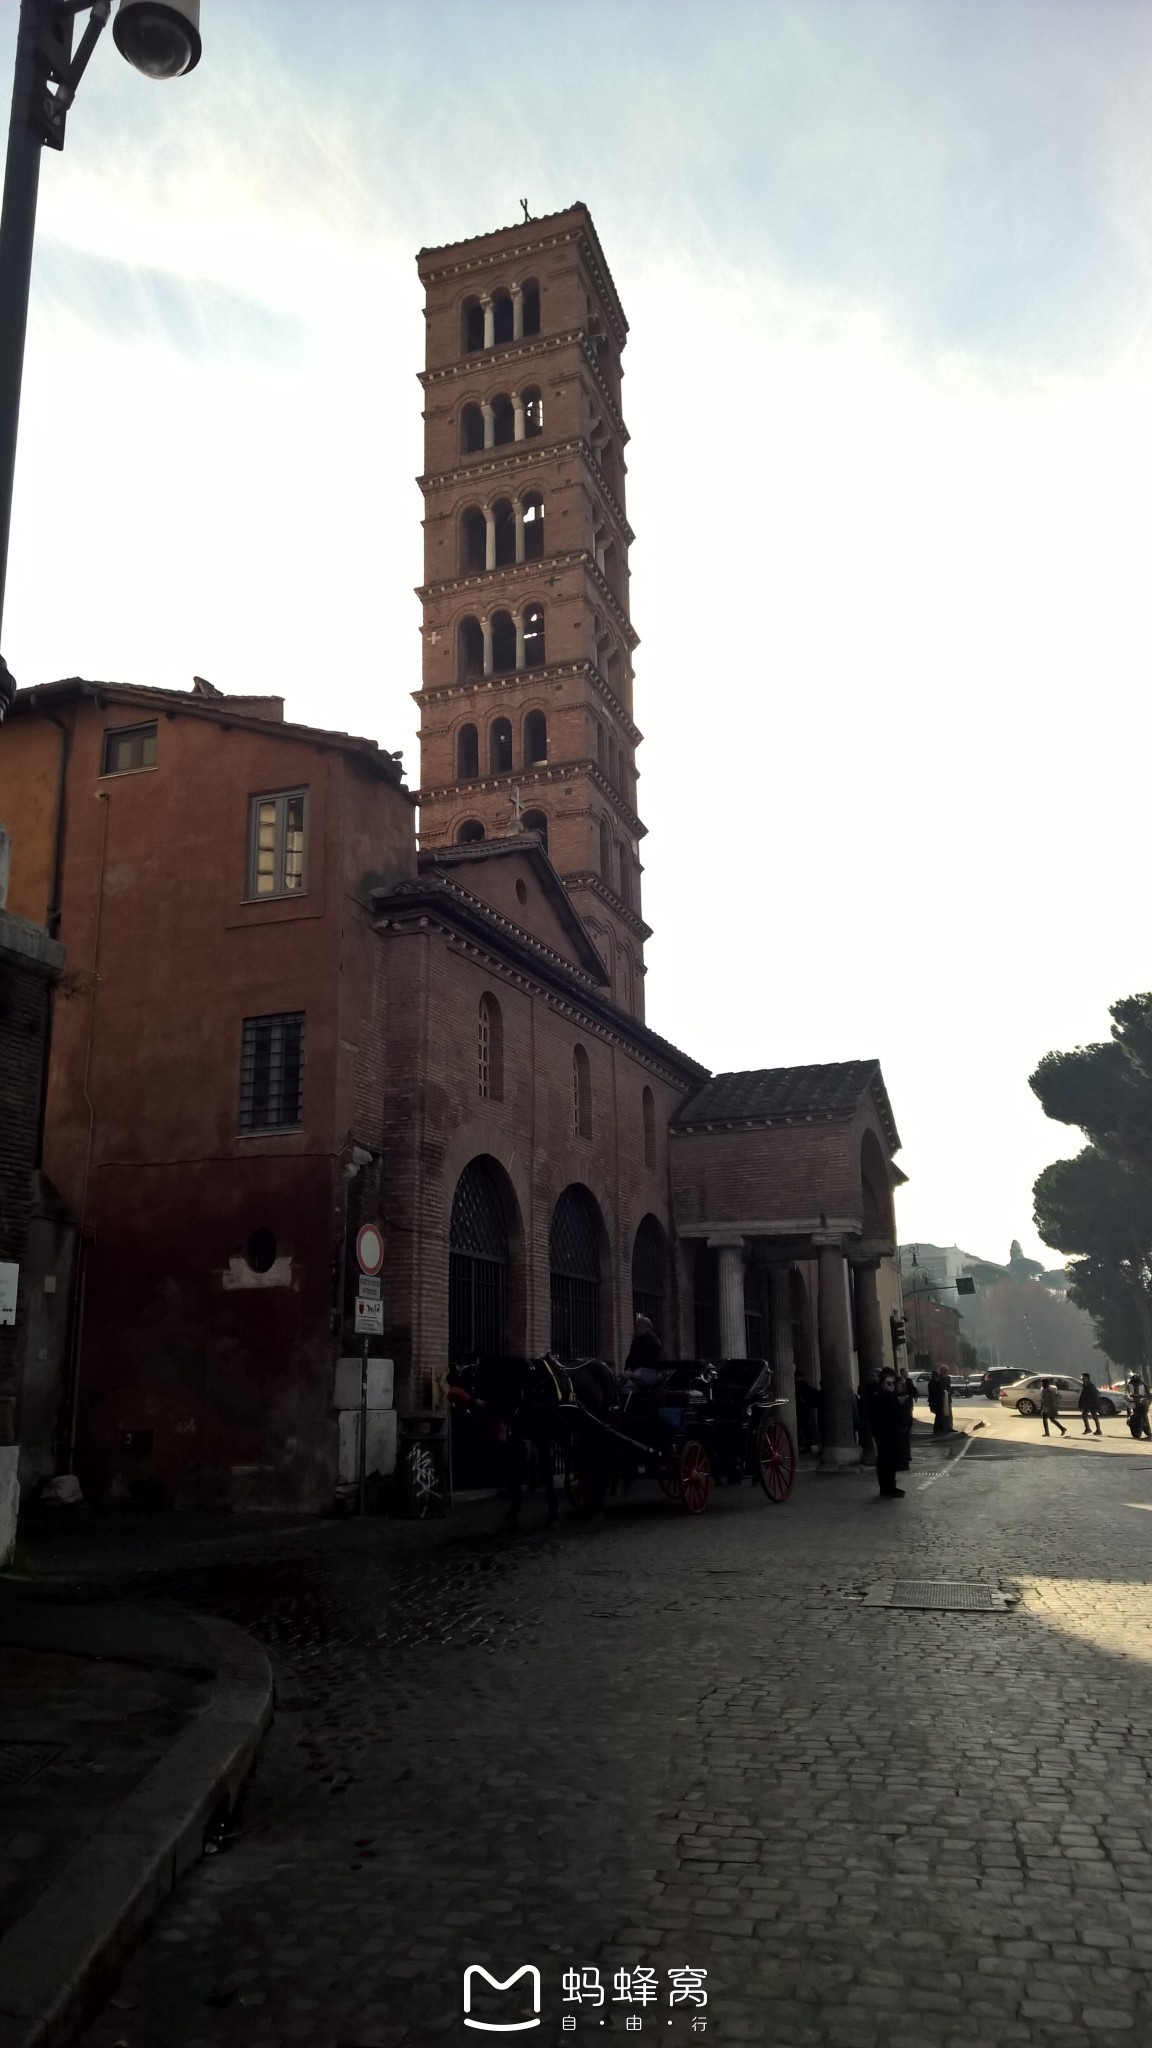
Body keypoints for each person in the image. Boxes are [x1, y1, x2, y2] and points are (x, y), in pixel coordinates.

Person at [868, 1369, 907, 1498]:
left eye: (893, 1384)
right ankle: (888, 1489)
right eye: (889, 1383)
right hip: (888, 1434)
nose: (892, 1386)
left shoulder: (881, 1397)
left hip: (885, 1434)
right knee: (887, 1461)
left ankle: (889, 1487)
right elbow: (896, 1415)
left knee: (887, 1461)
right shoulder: (886, 1397)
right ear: (883, 1384)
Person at [623, 1314, 663, 1385]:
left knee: (628, 1386)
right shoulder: (654, 1337)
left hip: (646, 1371)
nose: (634, 1330)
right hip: (651, 1371)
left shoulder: (644, 1339)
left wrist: (630, 1370)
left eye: (635, 1327)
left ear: (640, 1327)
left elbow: (638, 1357)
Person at [1078, 1372, 1103, 1437]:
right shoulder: (1085, 1385)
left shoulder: (1090, 1386)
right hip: (1088, 1404)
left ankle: (1096, 1429)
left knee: (1092, 1416)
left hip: (1092, 1404)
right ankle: (1090, 1428)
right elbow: (1083, 1396)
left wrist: (1092, 1404)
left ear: (1087, 1378)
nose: (1082, 1379)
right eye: (1082, 1378)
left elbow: (1094, 1396)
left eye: (1083, 1378)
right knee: (1089, 1416)